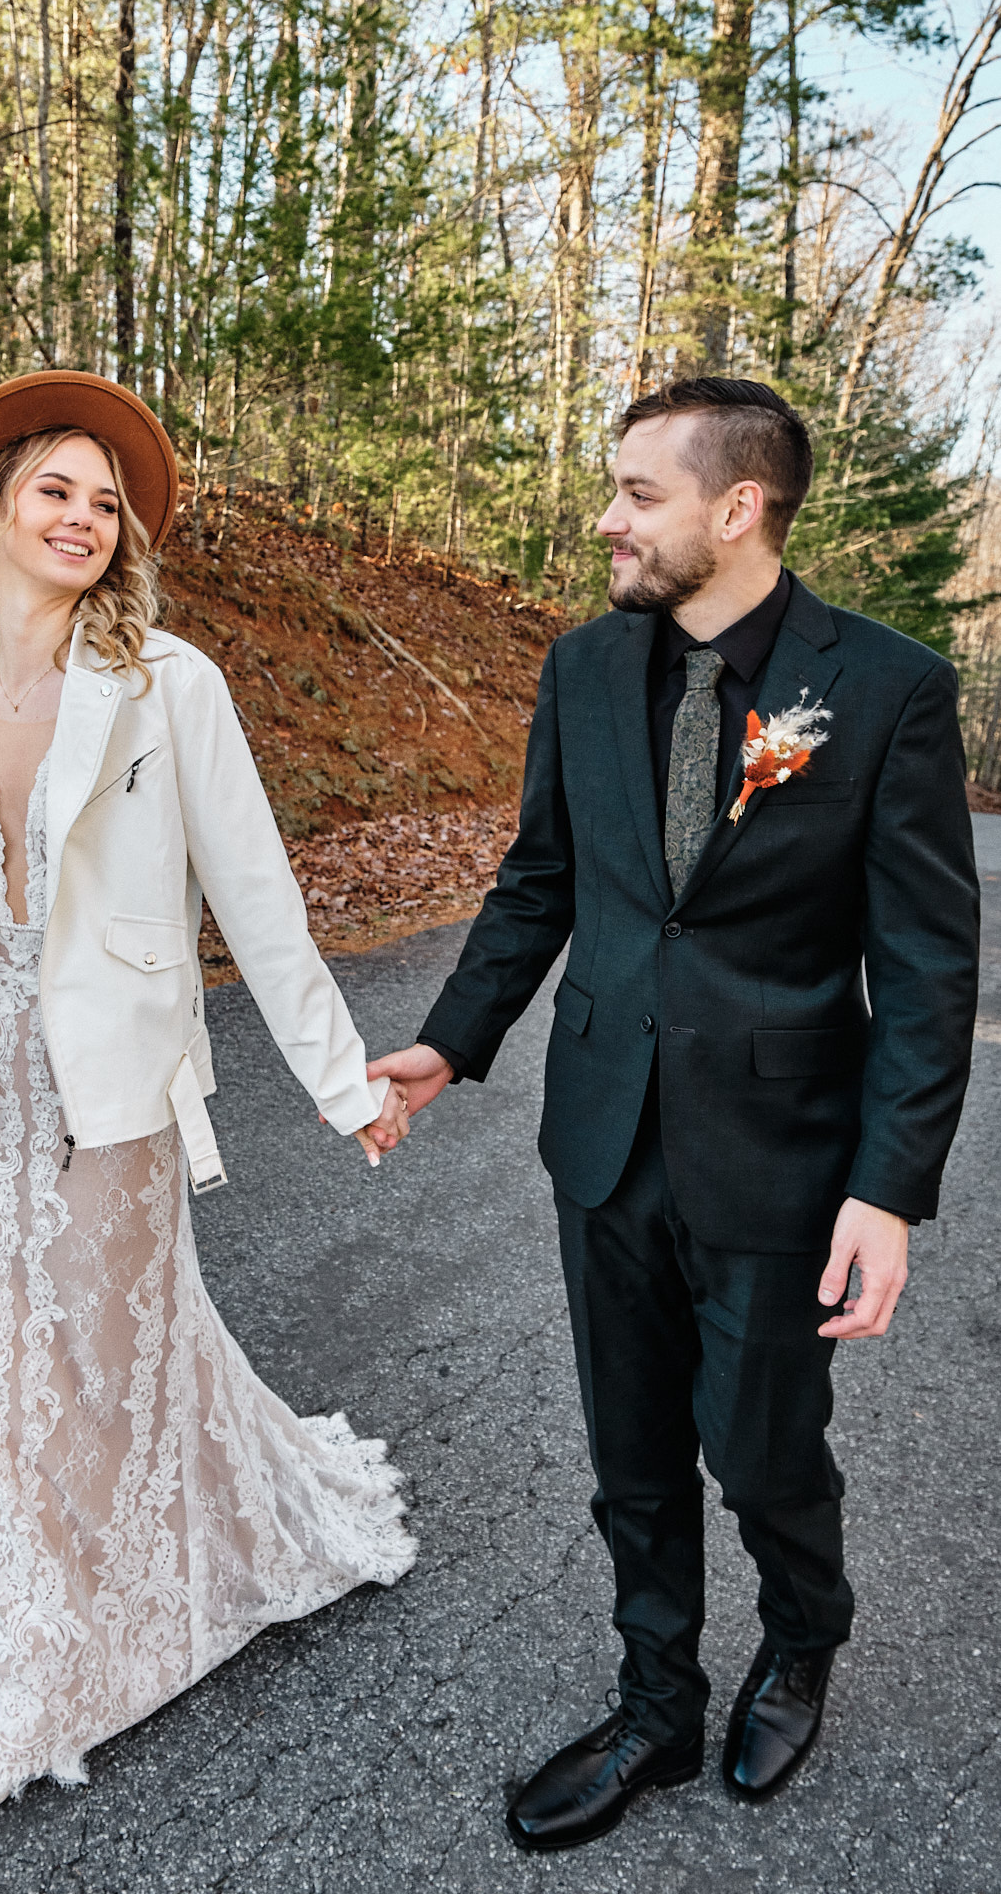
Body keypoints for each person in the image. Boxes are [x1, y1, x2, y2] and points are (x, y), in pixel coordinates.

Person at [370, 376, 979, 1851]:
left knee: (761, 1447)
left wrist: (887, 1189)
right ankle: (654, 1703)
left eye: (638, 492)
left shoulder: (885, 688)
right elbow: (540, 880)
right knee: (629, 1453)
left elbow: (922, 964)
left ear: (738, 508)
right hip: (602, 1133)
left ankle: (803, 1634)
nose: (608, 518)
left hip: (778, 1156)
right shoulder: (583, 669)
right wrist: (449, 1046)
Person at [0, 371, 415, 1820]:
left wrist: (339, 1076)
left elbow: (257, 893)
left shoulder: (170, 684)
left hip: (115, 1079)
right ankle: (43, 1663)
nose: (83, 518)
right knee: (5, 1383)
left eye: (105, 502)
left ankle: (79, 1663)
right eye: (54, 489)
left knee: (102, 1364)